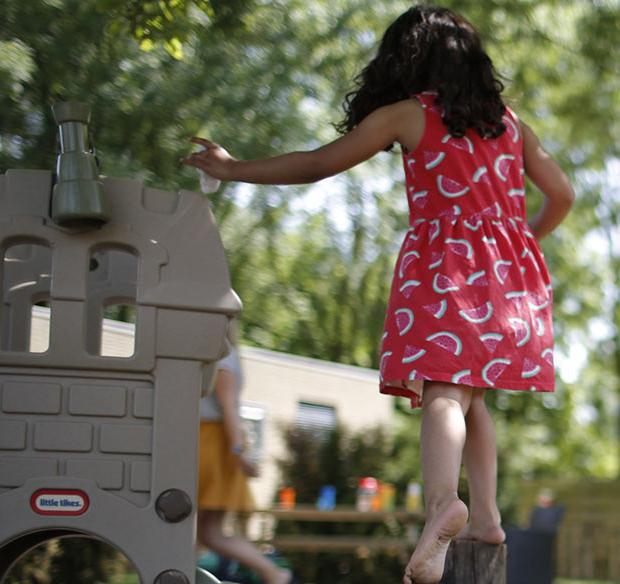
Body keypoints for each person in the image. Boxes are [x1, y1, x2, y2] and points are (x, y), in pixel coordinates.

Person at [180, 6, 575, 582]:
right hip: (511, 280)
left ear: (406, 59)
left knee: (443, 390)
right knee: (475, 397)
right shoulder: (510, 125)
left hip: (446, 274)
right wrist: (513, 246)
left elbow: (318, 165)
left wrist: (234, 167)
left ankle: (444, 504)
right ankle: (487, 517)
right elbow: (561, 194)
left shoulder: (409, 115)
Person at [197, 325, 292, 584]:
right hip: (215, 443)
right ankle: (273, 573)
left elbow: (229, 409)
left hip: (211, 444)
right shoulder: (228, 354)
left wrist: (238, 452)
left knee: (208, 531)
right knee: (206, 531)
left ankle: (273, 573)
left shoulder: (221, 355)